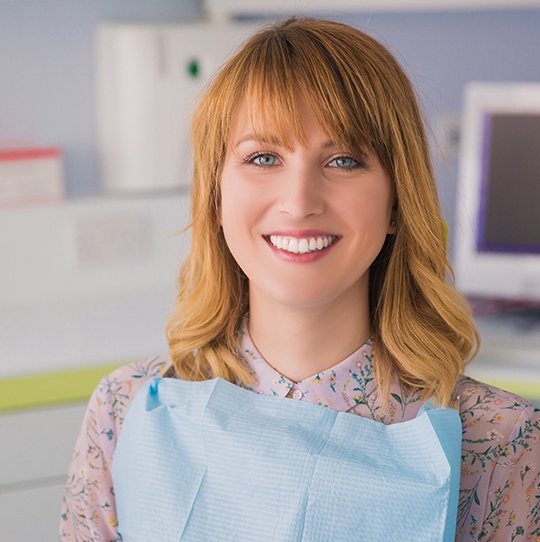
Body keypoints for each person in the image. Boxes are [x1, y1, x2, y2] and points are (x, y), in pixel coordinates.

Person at [60, 17, 540, 541]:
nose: (299, 201)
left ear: (398, 200)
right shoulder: (124, 410)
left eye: (343, 159)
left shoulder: (500, 441)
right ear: (216, 197)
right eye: (263, 157)